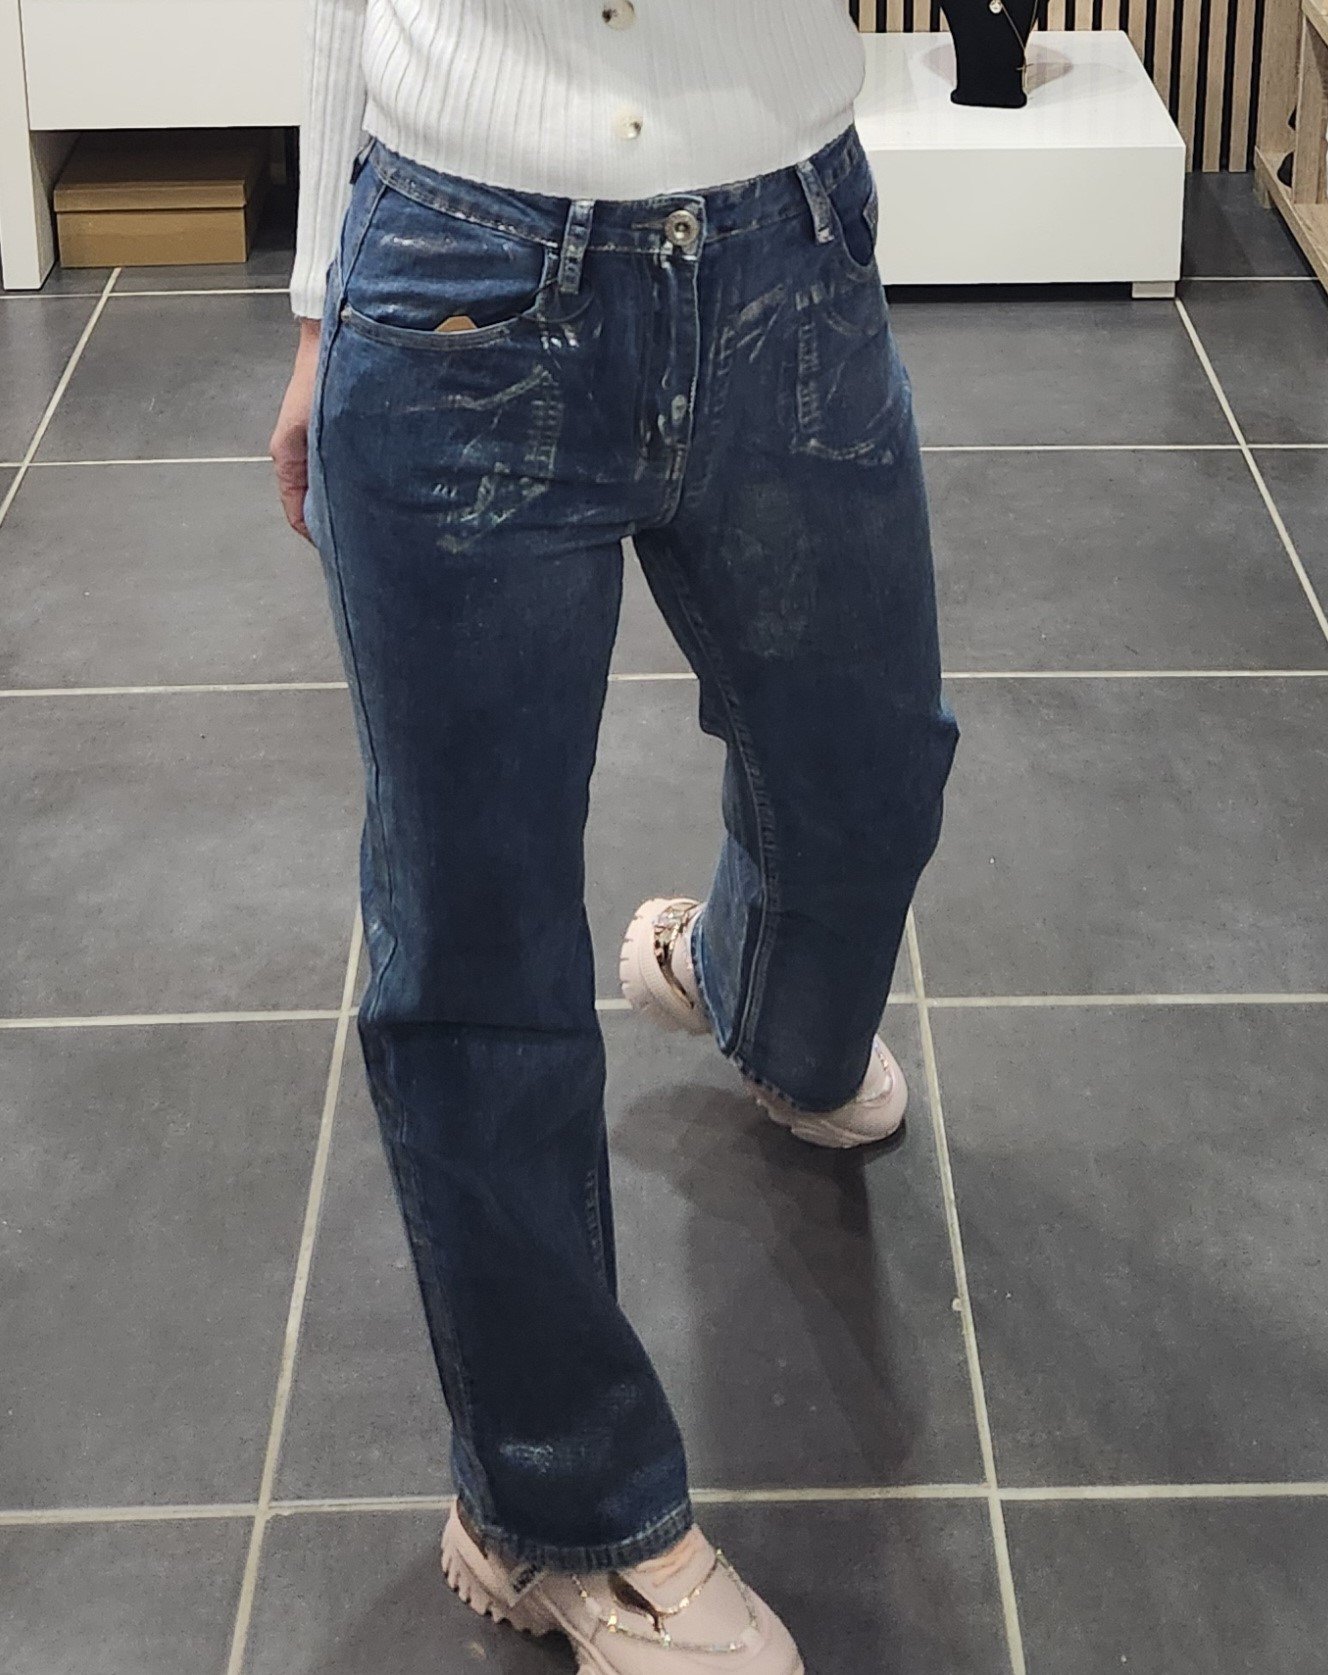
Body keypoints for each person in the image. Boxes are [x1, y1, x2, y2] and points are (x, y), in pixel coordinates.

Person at [270, 2, 958, 1668]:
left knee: (869, 771)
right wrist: (316, 308)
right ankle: (554, 1508)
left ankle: (753, 994)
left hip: (787, 238)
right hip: (463, 266)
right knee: (475, 926)